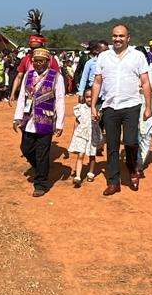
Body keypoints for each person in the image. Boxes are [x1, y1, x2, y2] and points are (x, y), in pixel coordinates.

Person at [90, 24, 152, 196]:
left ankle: (132, 168)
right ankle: (113, 181)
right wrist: (93, 106)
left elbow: (146, 82)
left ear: (128, 38)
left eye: (121, 36)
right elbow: (97, 82)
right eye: (115, 36)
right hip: (110, 106)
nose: (118, 39)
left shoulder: (138, 56)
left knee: (131, 142)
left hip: (131, 105)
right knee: (112, 145)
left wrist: (149, 107)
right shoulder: (103, 56)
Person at [13, 48, 65, 197]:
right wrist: (17, 118)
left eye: (41, 61)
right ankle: (41, 168)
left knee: (42, 153)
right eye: (35, 61)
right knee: (26, 149)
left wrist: (60, 123)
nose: (38, 64)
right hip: (28, 120)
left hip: (46, 120)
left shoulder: (56, 77)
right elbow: (22, 97)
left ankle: (41, 183)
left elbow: (60, 100)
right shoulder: (28, 75)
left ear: (48, 62)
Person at [68, 87, 101, 186]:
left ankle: (90, 173)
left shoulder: (97, 109)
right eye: (87, 97)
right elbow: (77, 122)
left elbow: (99, 122)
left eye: (91, 97)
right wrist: (74, 135)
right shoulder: (80, 108)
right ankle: (78, 176)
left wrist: (97, 116)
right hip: (81, 134)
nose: (89, 99)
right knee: (81, 154)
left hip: (92, 135)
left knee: (92, 155)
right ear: (84, 98)